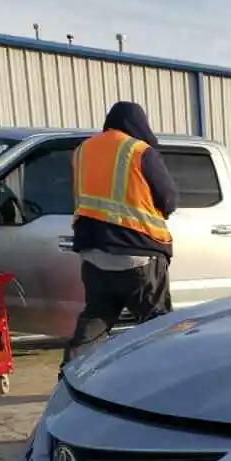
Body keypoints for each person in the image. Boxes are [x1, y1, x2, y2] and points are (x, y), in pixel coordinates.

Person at [60, 101, 178, 371]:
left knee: (95, 320)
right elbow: (169, 199)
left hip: (94, 254)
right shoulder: (140, 151)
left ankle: (69, 376)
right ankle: (162, 379)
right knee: (156, 325)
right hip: (139, 254)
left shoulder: (82, 151)